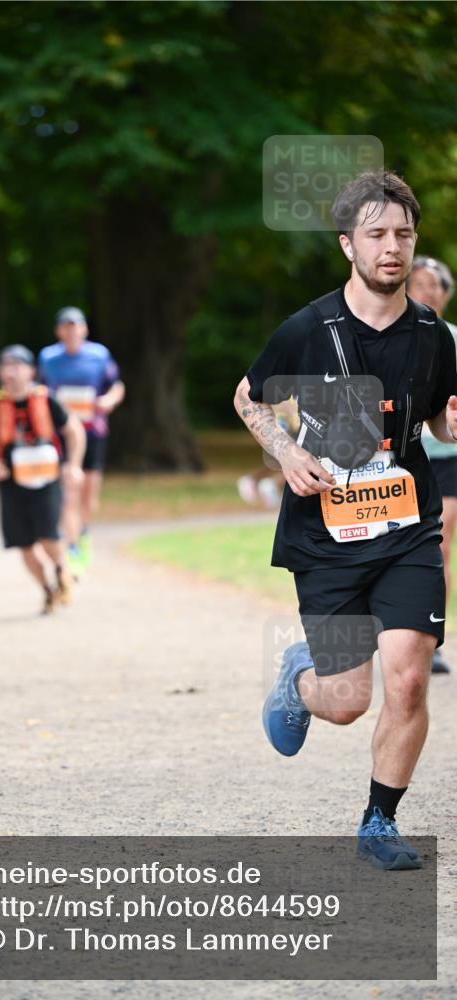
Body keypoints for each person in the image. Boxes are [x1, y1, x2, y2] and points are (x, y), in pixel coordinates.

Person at [234, 171, 457, 870]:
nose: (392, 248)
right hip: (326, 536)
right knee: (343, 702)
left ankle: (379, 821)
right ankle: (301, 677)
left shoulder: (433, 335)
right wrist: (285, 452)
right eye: (376, 234)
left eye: (403, 234)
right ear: (346, 244)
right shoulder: (308, 328)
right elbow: (248, 397)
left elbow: (434, 416)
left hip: (408, 526)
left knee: (409, 677)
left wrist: (449, 424)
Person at [0, 345, 86, 614]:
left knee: (48, 535)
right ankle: (47, 590)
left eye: (16, 366)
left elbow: (74, 431)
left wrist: (74, 465)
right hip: (12, 484)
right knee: (24, 545)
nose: (10, 373)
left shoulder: (47, 400)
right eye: (5, 366)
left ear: (31, 371)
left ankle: (62, 570)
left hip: (46, 480)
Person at [38, 307, 124, 576]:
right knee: (69, 490)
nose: (71, 330)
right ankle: (72, 543)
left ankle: (84, 532)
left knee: (88, 492)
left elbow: (117, 385)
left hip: (93, 432)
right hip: (62, 434)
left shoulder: (99, 355)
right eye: (66, 326)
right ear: (58, 331)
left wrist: (109, 401)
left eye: (75, 325)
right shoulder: (48, 357)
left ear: (84, 329)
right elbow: (39, 390)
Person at [407, 256, 457, 674]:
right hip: (399, 457)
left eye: (434, 285)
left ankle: (432, 639)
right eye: (419, 283)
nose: (427, 291)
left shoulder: (454, 338)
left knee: (438, 545)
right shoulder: (392, 335)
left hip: (448, 460)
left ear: (446, 293)